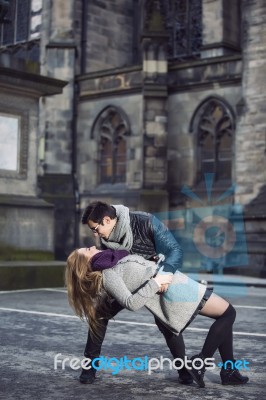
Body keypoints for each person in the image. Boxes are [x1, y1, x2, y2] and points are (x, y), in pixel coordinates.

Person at [66, 247, 249, 388]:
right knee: (228, 313)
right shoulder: (108, 274)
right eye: (87, 250)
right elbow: (131, 302)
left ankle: (227, 371)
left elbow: (137, 273)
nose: (91, 246)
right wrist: (155, 282)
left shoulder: (113, 260)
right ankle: (200, 363)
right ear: (87, 262)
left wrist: (152, 262)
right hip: (176, 291)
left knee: (225, 315)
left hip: (175, 284)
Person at [79, 201, 192, 385]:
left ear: (107, 220)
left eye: (95, 229)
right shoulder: (105, 234)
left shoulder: (146, 222)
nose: (95, 234)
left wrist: (164, 273)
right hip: (124, 280)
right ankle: (89, 367)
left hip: (151, 276)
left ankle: (185, 370)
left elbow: (175, 250)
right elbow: (108, 264)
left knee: (166, 321)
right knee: (99, 313)